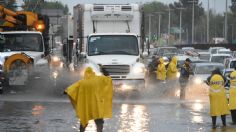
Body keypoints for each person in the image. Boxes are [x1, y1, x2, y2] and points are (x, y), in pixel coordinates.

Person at [65, 67, 113, 132]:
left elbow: (71, 89)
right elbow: (108, 79)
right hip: (96, 105)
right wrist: (104, 71)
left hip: (86, 106)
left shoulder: (82, 82)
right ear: (92, 72)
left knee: (84, 120)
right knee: (99, 121)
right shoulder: (99, 79)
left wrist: (65, 92)